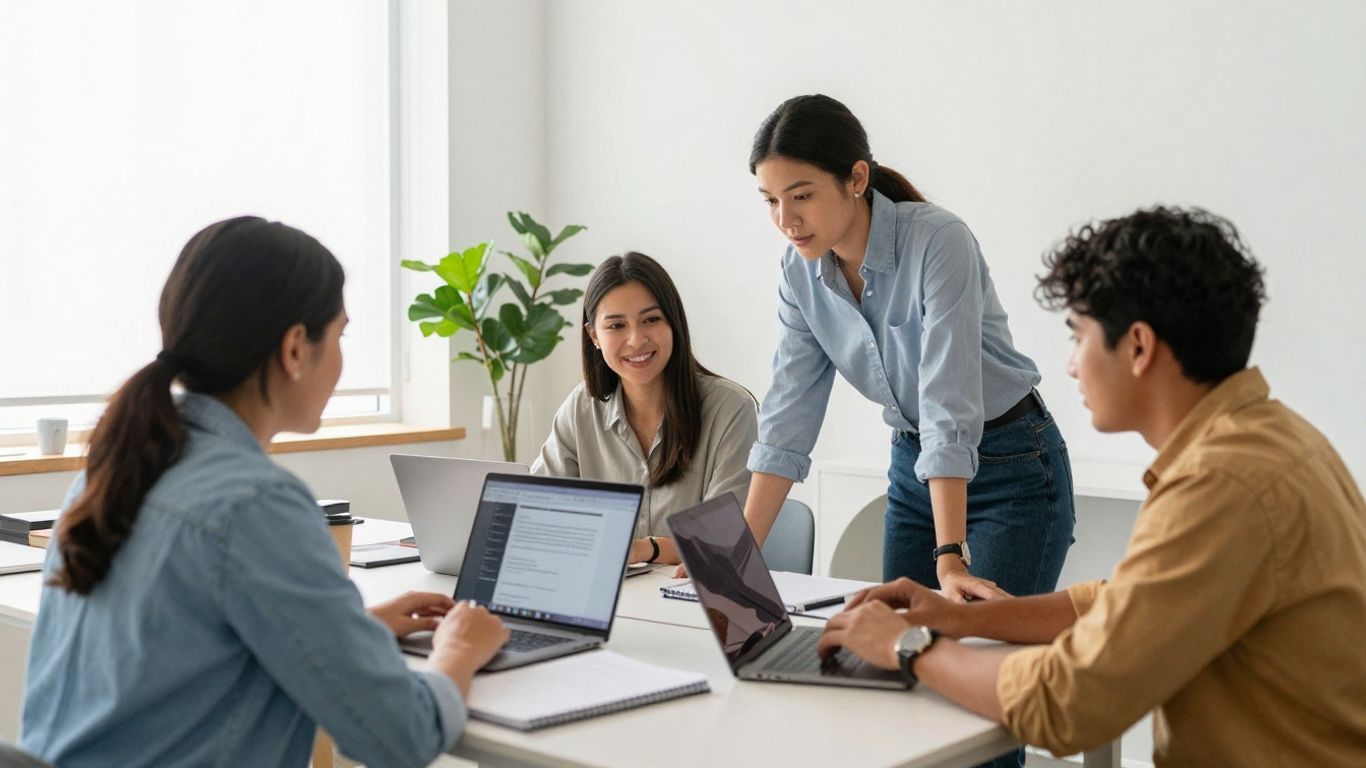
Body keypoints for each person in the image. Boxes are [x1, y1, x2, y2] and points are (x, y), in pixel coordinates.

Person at [816, 207, 1366, 765]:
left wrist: (906, 645)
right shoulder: (1271, 441)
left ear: (1138, 346)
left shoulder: (1222, 484)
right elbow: (1133, 603)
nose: (1072, 367)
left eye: (1078, 337)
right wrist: (961, 618)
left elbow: (1070, 703)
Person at [21, 217, 509, 768]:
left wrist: (354, 629)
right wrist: (459, 652)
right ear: (296, 348)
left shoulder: (113, 466)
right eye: (341, 334)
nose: (344, 359)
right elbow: (402, 735)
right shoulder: (255, 502)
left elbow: (181, 650)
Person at [743, 94, 1074, 604]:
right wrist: (739, 555)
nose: (786, 219)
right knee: (899, 645)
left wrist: (948, 553)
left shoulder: (939, 241)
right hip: (913, 463)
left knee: (984, 649)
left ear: (855, 179)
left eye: (801, 196)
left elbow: (948, 398)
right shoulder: (798, 271)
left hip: (1011, 466)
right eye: (770, 200)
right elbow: (790, 412)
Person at [532, 252, 757, 566]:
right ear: (594, 336)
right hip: (611, 596)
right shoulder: (580, 409)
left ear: (673, 323)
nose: (636, 340)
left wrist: (646, 549)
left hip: (698, 602)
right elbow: (539, 513)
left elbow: (724, 538)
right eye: (616, 326)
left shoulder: (731, 409)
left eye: (651, 320)